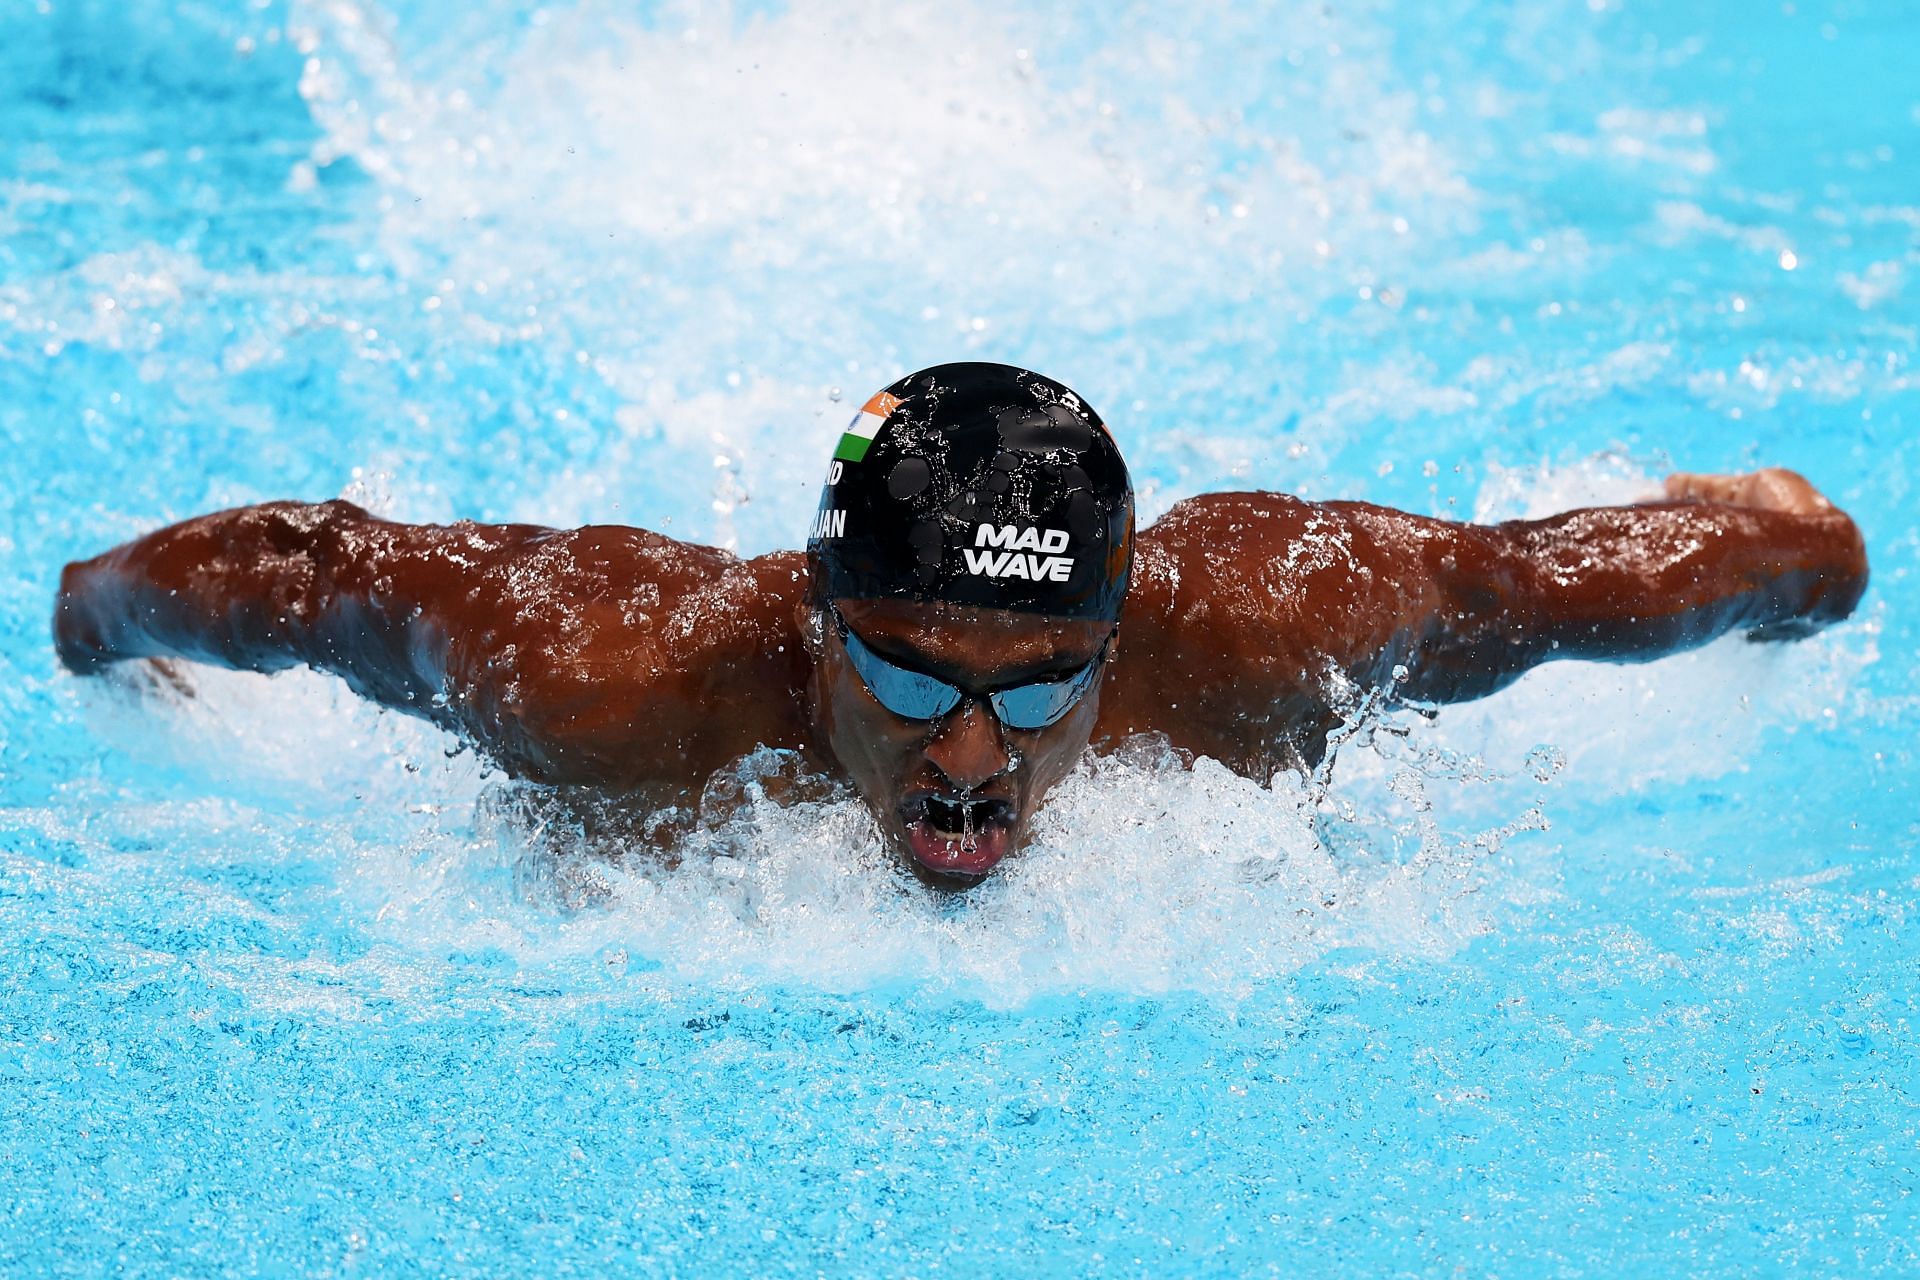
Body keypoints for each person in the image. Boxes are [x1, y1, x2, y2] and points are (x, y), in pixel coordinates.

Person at [53, 362, 1869, 885]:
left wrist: (1796, 554)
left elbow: (1542, 583)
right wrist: (97, 621)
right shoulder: (608, 674)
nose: (974, 761)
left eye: (1039, 686)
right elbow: (319, 569)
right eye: (914, 674)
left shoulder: (1271, 636)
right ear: (814, 611)